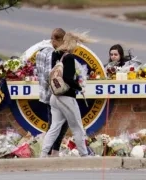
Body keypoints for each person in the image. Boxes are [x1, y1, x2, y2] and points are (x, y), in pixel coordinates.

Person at [40, 31, 94, 157]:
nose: (77, 46)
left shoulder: (56, 54)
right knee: (77, 127)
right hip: (66, 97)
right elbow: (68, 79)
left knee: (54, 127)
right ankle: (84, 154)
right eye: (76, 43)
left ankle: (43, 155)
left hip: (55, 96)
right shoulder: (69, 58)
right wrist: (79, 87)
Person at [36, 28, 69, 157]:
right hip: (56, 92)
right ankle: (50, 151)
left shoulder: (41, 52)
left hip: (47, 92)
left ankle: (51, 151)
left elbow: (40, 73)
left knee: (55, 123)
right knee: (59, 123)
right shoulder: (51, 53)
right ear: (58, 40)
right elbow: (50, 74)